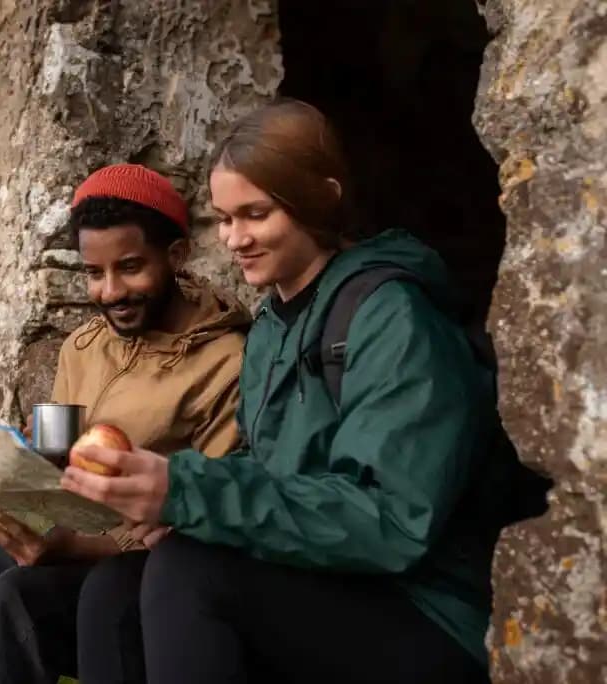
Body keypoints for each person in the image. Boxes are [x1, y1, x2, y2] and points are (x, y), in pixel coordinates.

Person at [63, 99, 534, 683]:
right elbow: (274, 471)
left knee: (193, 573)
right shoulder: (272, 324)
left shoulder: (394, 318)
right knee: (114, 589)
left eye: (255, 215)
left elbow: (390, 520)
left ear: (319, 199)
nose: (234, 239)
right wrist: (174, 506)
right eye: (224, 219)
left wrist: (192, 492)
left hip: (422, 610)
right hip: (329, 581)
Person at [0, 163, 250, 684]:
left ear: (175, 256)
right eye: (94, 273)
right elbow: (53, 452)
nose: (111, 291)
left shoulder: (227, 363)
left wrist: (69, 548)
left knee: (14, 599)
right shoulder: (80, 348)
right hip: (63, 545)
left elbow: (200, 520)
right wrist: (10, 479)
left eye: (130, 267)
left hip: (136, 572)